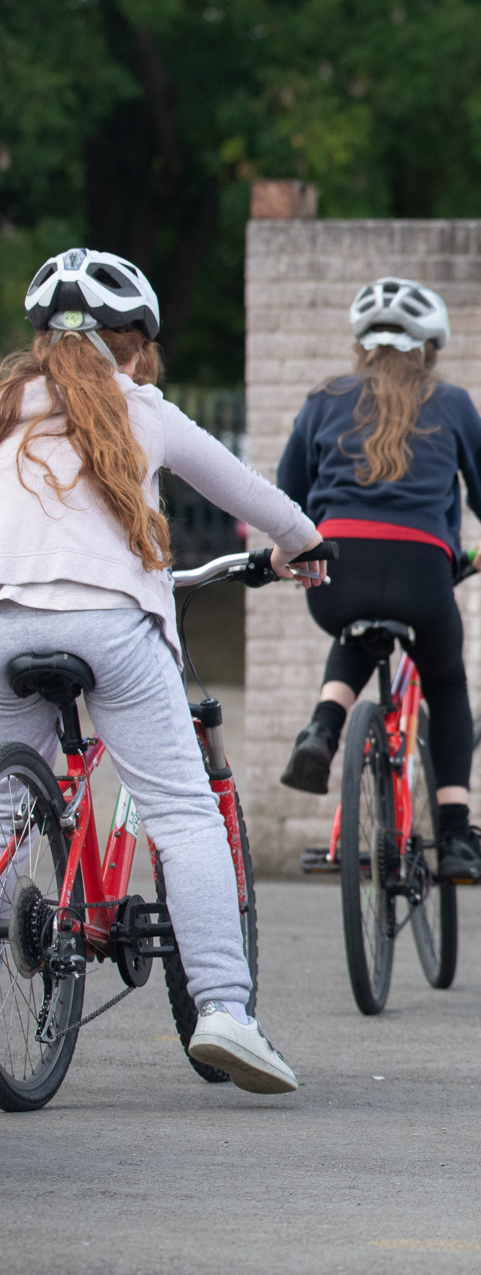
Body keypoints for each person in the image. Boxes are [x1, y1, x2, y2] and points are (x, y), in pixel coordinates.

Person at [0, 248, 320, 1093]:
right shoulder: (145, 409)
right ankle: (223, 1010)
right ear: (133, 347)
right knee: (182, 813)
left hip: (4, 621)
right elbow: (256, 498)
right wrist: (305, 547)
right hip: (113, 627)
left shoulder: (6, 407)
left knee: (2, 809)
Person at [276, 278, 481, 885]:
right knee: (447, 683)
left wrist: (292, 551)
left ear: (361, 344)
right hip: (422, 571)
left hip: (337, 570)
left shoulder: (323, 400)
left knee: (357, 629)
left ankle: (323, 727)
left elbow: (285, 497)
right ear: (429, 349)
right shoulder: (453, 404)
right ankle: (458, 836)